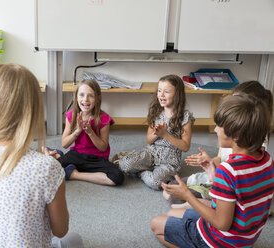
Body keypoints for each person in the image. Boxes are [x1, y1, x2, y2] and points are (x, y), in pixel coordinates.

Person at [0, 63, 83, 247]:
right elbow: (60, 230)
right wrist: (51, 174)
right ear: (33, 110)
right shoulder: (46, 168)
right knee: (73, 239)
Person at [151, 95, 274, 248]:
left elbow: (221, 223)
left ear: (235, 136)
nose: (215, 129)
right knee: (171, 214)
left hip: (218, 241)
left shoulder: (228, 170)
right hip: (245, 239)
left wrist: (187, 195)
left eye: (219, 126)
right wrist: (212, 173)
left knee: (156, 224)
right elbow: (238, 195)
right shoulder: (268, 160)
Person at [164, 80, 273, 208]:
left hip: (228, 184)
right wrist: (209, 162)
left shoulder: (254, 145)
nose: (215, 129)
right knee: (170, 189)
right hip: (219, 176)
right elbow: (220, 159)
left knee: (174, 200)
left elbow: (245, 181)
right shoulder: (230, 136)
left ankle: (206, 204)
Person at [117, 74, 194, 190]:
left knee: (156, 182)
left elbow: (185, 146)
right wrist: (155, 134)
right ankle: (141, 165)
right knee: (124, 165)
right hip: (151, 153)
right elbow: (148, 140)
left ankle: (140, 172)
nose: (161, 95)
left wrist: (165, 134)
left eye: (166, 92)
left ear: (177, 95)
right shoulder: (156, 113)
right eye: (159, 91)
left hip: (169, 161)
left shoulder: (185, 118)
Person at [54, 79, 124, 186]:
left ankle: (74, 174)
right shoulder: (71, 115)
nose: (85, 99)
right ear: (76, 97)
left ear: (97, 99)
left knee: (117, 177)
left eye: (90, 96)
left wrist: (90, 132)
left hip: (96, 159)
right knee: (50, 169)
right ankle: (56, 154)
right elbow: (64, 144)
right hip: (76, 155)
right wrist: (77, 131)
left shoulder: (104, 119)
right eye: (81, 95)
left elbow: (103, 147)